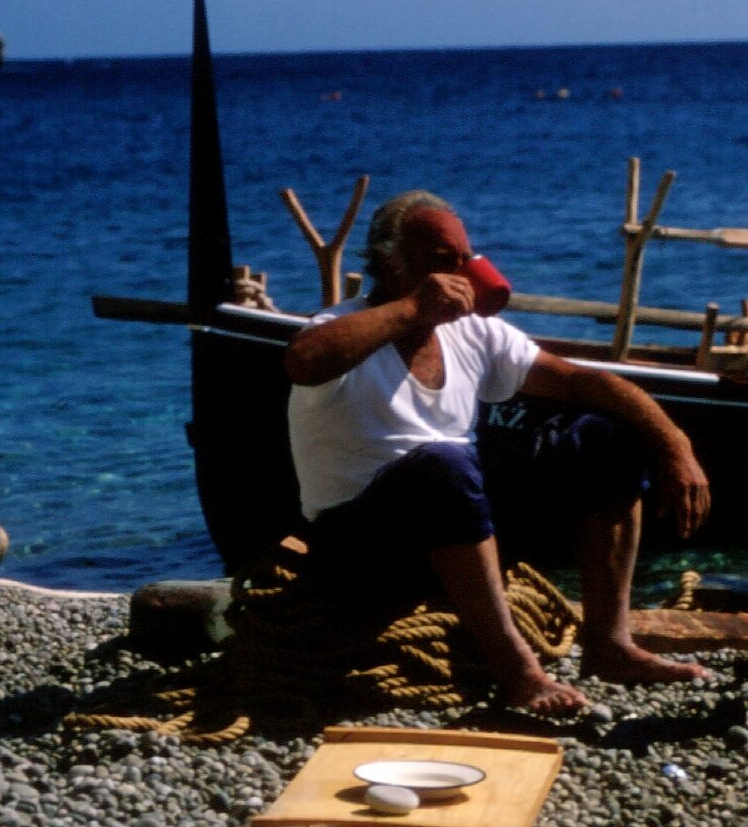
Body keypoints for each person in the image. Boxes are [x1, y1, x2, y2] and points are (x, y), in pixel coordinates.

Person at [284, 190, 712, 714]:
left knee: (605, 439)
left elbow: (579, 381)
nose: (463, 273)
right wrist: (414, 308)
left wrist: (674, 444)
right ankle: (517, 672)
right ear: (391, 264)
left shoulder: (473, 333)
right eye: (444, 261)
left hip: (449, 522)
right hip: (360, 542)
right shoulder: (340, 327)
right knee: (446, 461)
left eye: (466, 259)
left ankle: (610, 645)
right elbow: (304, 362)